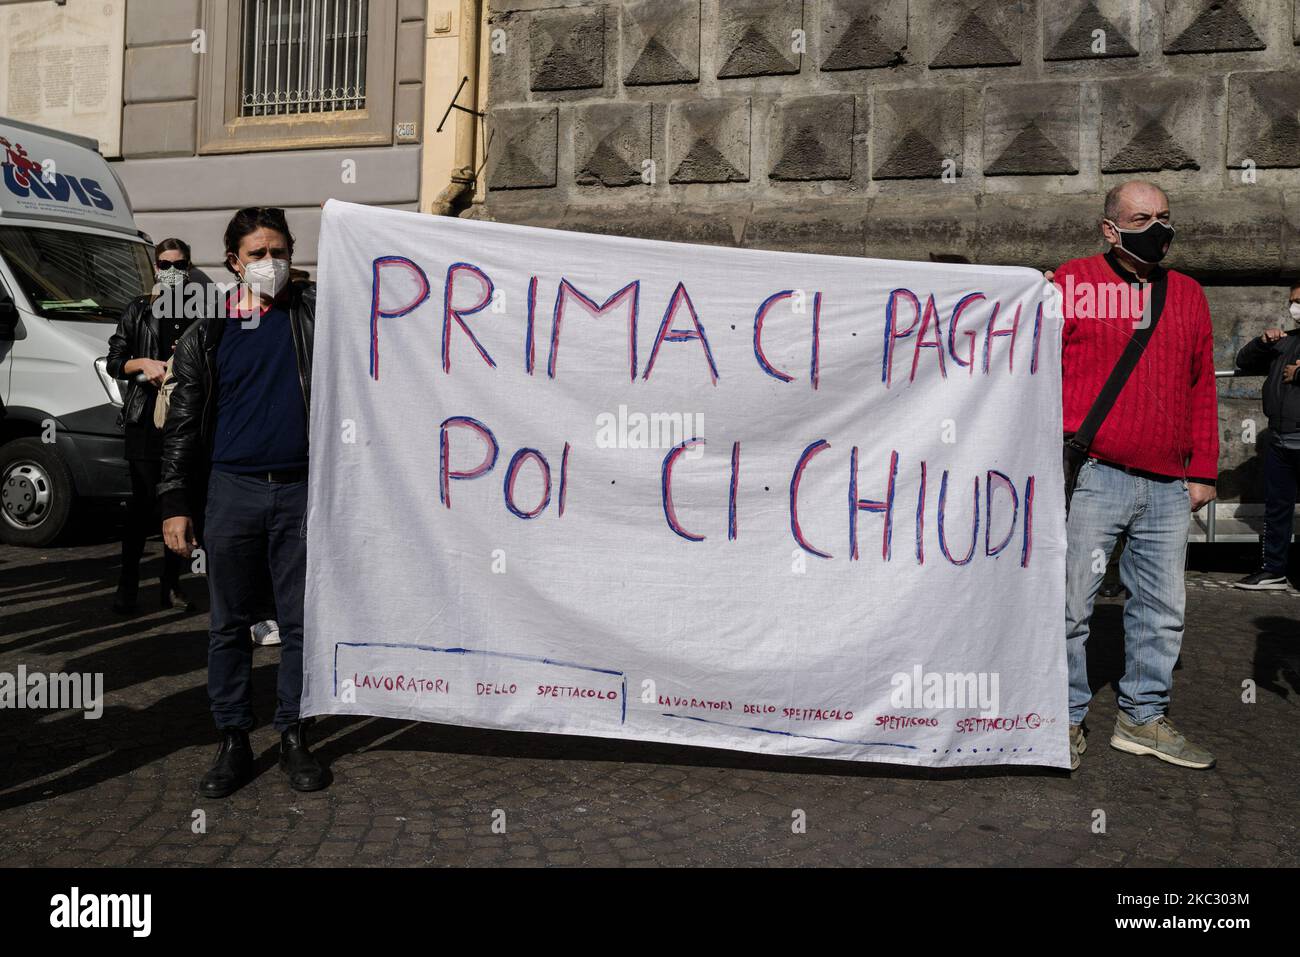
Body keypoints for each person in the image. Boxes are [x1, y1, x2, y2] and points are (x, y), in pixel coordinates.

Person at [159, 207, 326, 798]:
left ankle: (293, 734)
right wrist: (176, 500)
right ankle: (233, 738)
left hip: (302, 488)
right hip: (231, 490)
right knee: (228, 623)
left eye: (279, 251)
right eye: (257, 253)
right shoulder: (208, 330)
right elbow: (182, 423)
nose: (270, 263)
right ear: (234, 261)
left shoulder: (313, 316)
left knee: (301, 622)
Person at [1053, 180, 1219, 772]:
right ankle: (1062, 718)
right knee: (1071, 606)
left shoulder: (1190, 294)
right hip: (1096, 476)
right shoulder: (1070, 282)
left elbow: (1202, 382)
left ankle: (1142, 717)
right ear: (1110, 228)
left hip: (1170, 484)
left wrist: (1203, 470)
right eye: (1142, 218)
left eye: (1165, 217)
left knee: (1162, 607)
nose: (1159, 228)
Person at [105, 238, 197, 614]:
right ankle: (126, 587)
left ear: (188, 268)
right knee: (141, 508)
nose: (171, 271)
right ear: (155, 268)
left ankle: (170, 585)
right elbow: (114, 361)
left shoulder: (200, 310)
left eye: (179, 264)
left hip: (183, 421)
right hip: (145, 419)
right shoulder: (139, 309)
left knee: (177, 502)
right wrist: (143, 362)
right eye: (164, 264)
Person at [1232, 280, 1300, 590]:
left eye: (1298, 300)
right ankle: (1274, 569)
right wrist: (1263, 341)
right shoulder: (1287, 341)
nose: (1294, 307)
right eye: (1292, 301)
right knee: (1277, 507)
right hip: (1280, 440)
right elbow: (1243, 360)